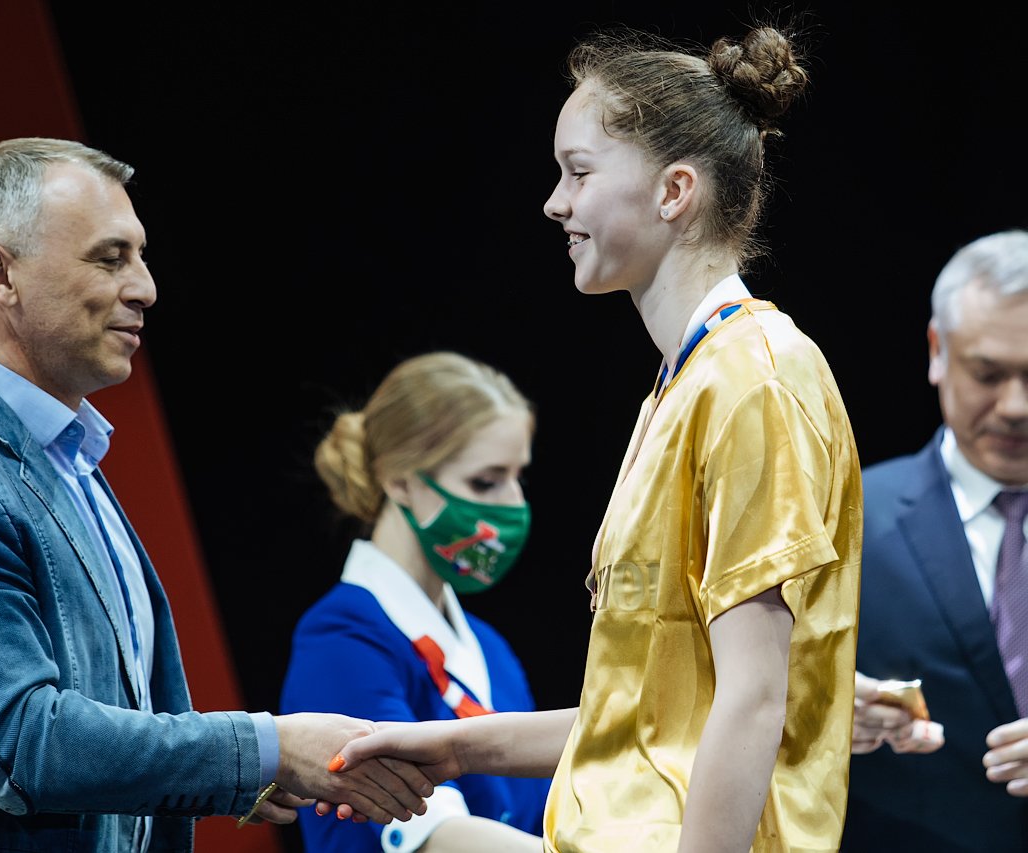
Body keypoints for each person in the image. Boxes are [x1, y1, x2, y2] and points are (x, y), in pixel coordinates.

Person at [318, 22, 862, 852]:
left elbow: (754, 697)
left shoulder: (755, 378)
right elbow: (649, 716)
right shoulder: (684, 384)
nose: (555, 202)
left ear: (674, 191)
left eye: (578, 171)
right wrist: (455, 747)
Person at [0, 137, 432, 853]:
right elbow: (19, 746)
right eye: (110, 258)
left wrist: (242, 773)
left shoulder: (60, 453)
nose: (145, 288)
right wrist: (266, 750)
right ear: (0, 274)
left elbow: (105, 717)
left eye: (140, 256)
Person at [279, 351, 553, 852]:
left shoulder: (490, 649)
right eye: (486, 481)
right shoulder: (341, 639)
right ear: (400, 480)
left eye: (519, 478)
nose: (514, 504)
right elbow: (428, 836)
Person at [843, 229, 1028, 851]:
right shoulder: (848, 520)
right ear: (937, 351)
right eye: (988, 374)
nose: (1015, 406)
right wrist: (818, 712)